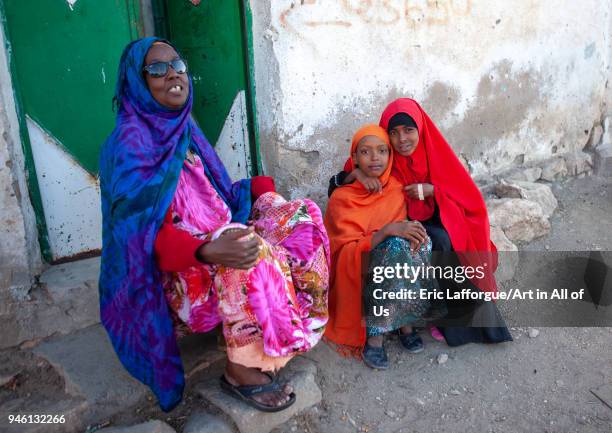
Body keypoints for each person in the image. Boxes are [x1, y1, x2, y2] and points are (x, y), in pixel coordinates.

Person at [99, 37, 329, 413]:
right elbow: (137, 239)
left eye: (178, 65)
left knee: (300, 213)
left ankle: (290, 328)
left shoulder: (182, 127)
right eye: (156, 69)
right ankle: (242, 370)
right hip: (173, 277)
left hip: (210, 245)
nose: (172, 74)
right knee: (240, 246)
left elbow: (217, 195)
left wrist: (261, 194)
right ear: (136, 82)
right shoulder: (128, 146)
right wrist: (206, 250)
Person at [328, 98, 512, 346]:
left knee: (448, 242)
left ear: (421, 129)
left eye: (409, 130)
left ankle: (457, 320)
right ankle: (431, 319)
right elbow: (337, 184)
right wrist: (356, 173)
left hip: (443, 218)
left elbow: (470, 200)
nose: (402, 139)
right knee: (432, 242)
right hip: (405, 225)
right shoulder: (384, 155)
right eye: (394, 133)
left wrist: (433, 190)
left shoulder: (436, 153)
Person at [323, 124, 443, 370]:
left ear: (390, 156)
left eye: (382, 151)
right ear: (354, 157)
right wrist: (386, 231)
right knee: (393, 248)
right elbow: (342, 251)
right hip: (357, 266)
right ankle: (376, 336)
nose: (375, 158)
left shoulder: (396, 190)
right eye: (366, 152)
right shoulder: (341, 198)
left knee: (418, 241)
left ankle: (405, 321)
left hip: (390, 260)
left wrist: (406, 232)